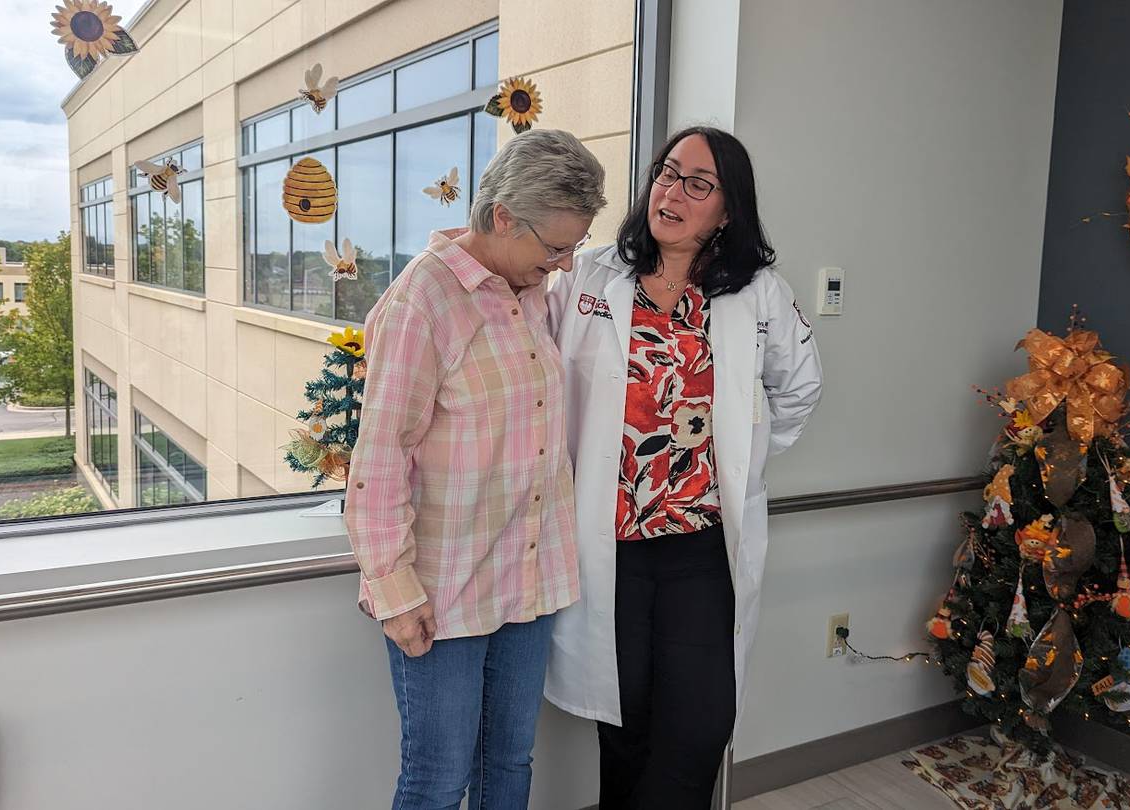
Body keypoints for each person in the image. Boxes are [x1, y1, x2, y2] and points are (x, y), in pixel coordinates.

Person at [544, 126, 824, 807]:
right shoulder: (590, 274)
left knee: (699, 728)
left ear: (727, 210)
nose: (673, 191)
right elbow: (539, 377)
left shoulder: (756, 292)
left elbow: (801, 387)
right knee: (626, 726)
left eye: (698, 183)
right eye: (668, 174)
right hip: (608, 548)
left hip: (700, 550)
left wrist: (741, 462)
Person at [343, 128, 606, 810]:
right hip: (444, 592)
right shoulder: (421, 302)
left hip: (527, 580)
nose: (563, 263)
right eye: (554, 247)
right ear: (499, 218)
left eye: (572, 246)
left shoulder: (533, 291)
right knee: (438, 780)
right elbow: (379, 459)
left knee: (509, 764)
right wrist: (394, 591)